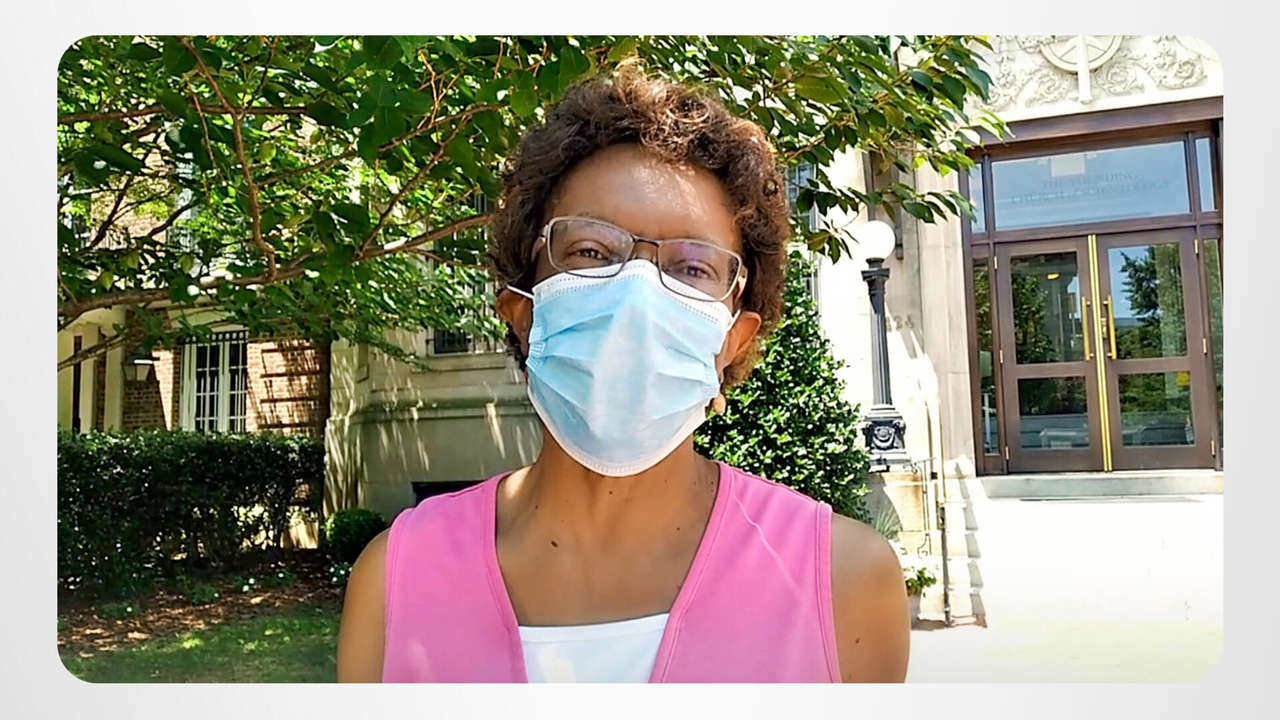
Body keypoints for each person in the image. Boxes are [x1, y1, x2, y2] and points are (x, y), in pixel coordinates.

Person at [337, 64, 909, 683]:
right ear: (524, 314)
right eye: (590, 251)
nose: (636, 294)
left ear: (733, 340)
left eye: (692, 267)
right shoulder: (394, 579)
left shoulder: (844, 584)